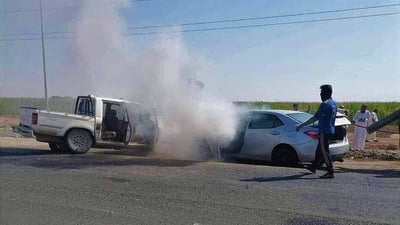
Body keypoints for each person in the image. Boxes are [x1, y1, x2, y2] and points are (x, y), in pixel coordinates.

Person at [296, 84, 337, 179]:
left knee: (324, 150)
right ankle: (313, 166)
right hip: (330, 129)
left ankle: (330, 171)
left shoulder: (325, 104)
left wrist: (301, 125)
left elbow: (315, 118)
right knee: (319, 149)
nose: (320, 95)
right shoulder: (334, 103)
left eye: (321, 93)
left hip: (324, 131)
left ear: (326, 93)